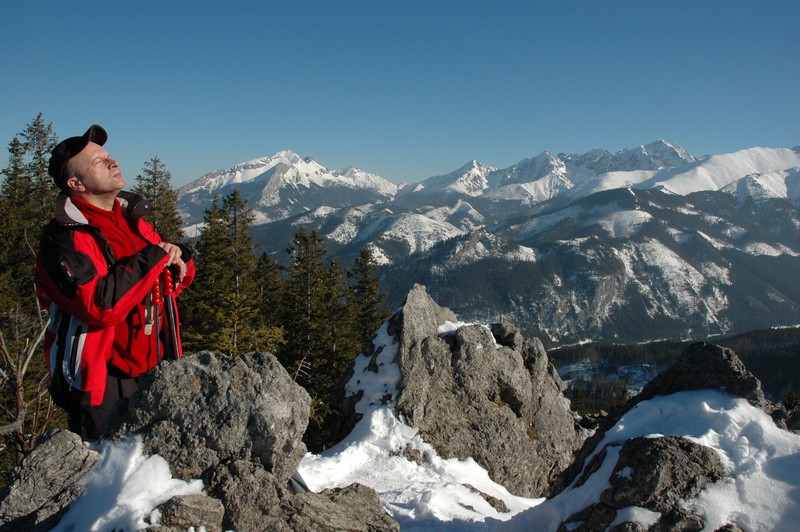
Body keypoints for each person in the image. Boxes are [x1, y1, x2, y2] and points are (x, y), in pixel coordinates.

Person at [35, 124, 195, 440]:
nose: (113, 162)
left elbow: (167, 277)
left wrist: (181, 259)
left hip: (153, 368)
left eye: (109, 156)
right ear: (75, 183)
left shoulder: (131, 221)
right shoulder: (64, 239)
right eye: (98, 161)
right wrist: (154, 257)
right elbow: (99, 305)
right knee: (105, 478)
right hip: (100, 383)